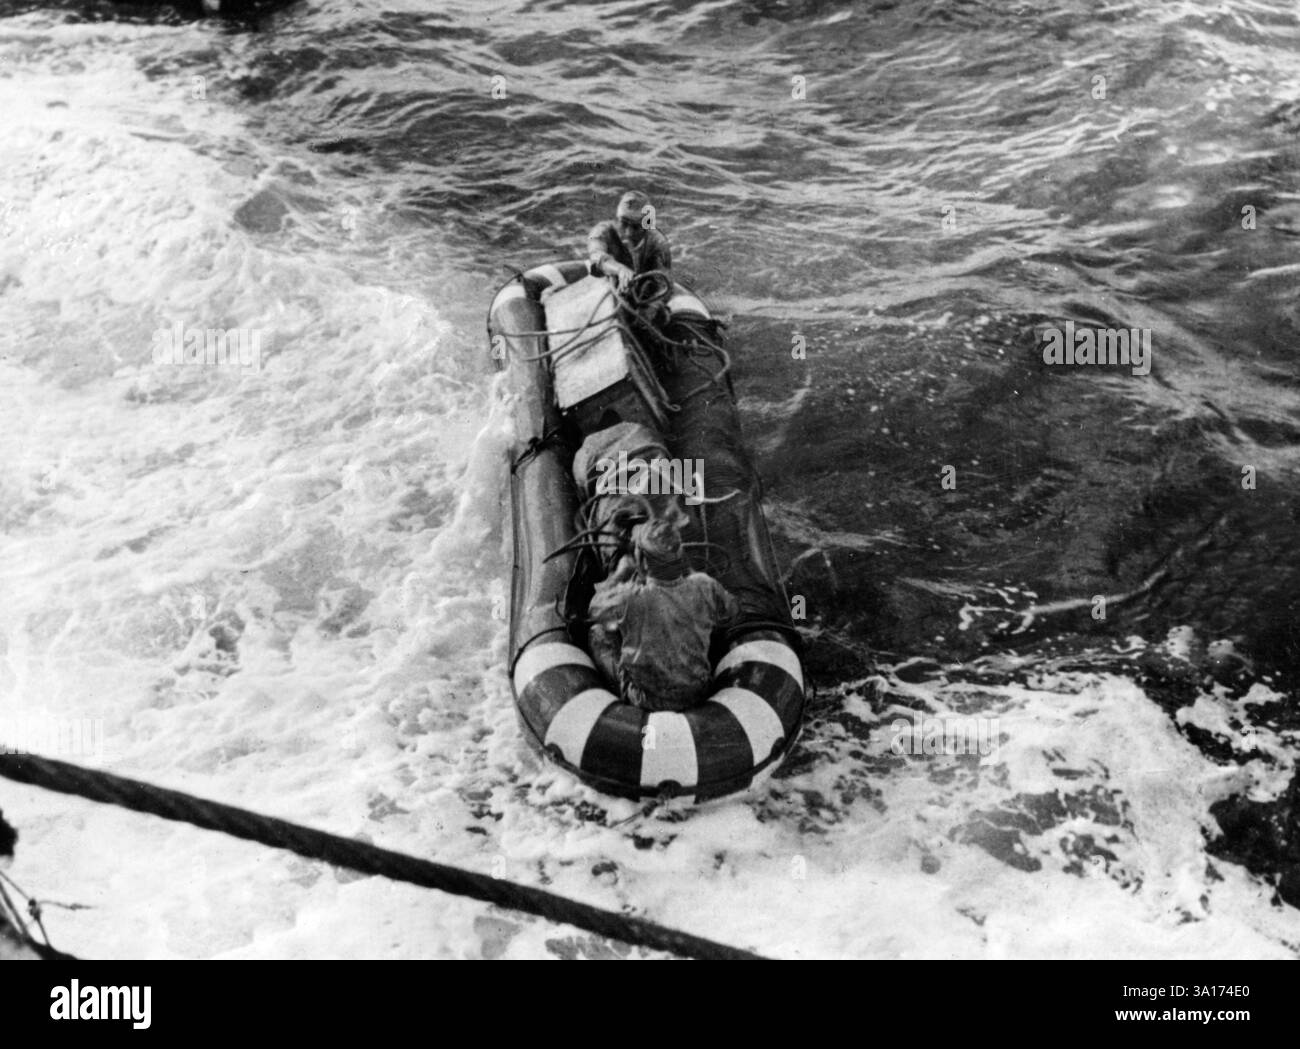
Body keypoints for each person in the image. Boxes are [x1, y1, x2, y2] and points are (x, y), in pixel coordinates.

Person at [587, 505, 740, 714]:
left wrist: (621, 573)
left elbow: (594, 610)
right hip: (698, 692)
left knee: (597, 633)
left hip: (647, 700)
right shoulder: (705, 585)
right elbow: (731, 612)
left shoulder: (629, 598)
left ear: (642, 560)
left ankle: (617, 693)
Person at [587, 190, 673, 293]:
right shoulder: (602, 231)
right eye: (623, 223)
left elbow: (663, 283)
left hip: (641, 293)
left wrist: (651, 306)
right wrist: (619, 269)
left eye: (636, 226)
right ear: (617, 219)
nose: (628, 232)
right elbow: (597, 256)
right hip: (606, 287)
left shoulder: (657, 241)